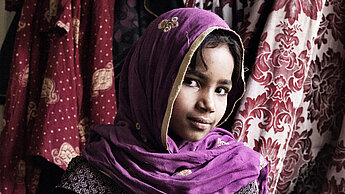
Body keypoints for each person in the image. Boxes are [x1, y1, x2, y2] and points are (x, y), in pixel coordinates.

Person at [53, 8, 268, 194]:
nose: (209, 104)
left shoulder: (235, 173)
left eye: (222, 90)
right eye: (192, 82)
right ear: (152, 79)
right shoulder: (93, 175)